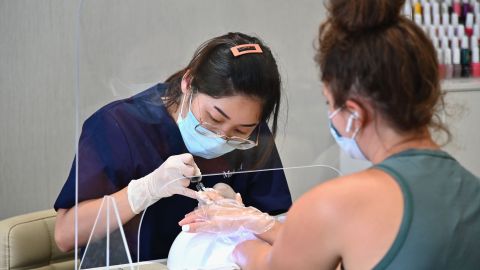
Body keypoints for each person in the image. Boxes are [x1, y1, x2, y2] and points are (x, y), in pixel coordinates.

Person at [179, 1, 480, 269]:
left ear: (354, 113)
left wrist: (239, 239)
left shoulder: (334, 203)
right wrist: (262, 224)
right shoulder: (471, 190)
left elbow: (271, 265)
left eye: (328, 102)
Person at [53, 32, 292, 261]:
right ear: (188, 83)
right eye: (214, 118)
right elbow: (65, 235)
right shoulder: (118, 126)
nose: (223, 136)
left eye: (240, 131)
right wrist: (145, 190)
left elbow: (279, 225)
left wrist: (243, 215)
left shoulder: (254, 136)